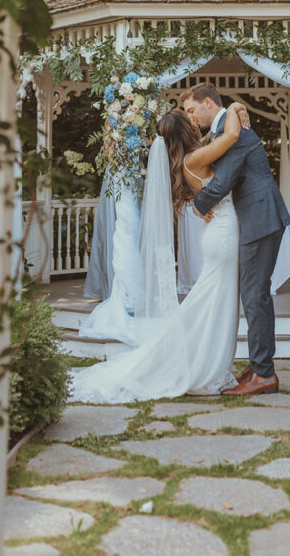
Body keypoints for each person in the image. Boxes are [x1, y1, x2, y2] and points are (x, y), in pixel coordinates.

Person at [70, 103, 247, 403]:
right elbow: (230, 136)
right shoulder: (196, 157)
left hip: (219, 233)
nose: (195, 122)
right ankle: (205, 366)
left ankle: (210, 362)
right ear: (186, 131)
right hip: (223, 236)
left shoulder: (190, 158)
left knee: (215, 302)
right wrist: (234, 106)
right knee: (214, 302)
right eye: (190, 121)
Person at [184, 82, 290, 397]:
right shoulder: (225, 131)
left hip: (259, 217)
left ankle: (263, 374)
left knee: (254, 295)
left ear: (207, 102)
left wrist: (196, 206)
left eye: (192, 110)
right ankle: (261, 366)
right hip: (256, 217)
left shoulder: (236, 133)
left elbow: (222, 184)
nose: (191, 118)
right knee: (255, 295)